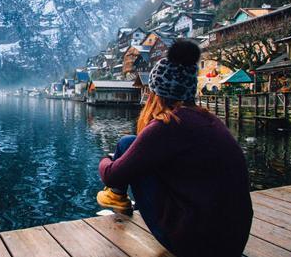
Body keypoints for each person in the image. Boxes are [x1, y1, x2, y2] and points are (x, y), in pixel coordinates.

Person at [96, 40, 253, 257]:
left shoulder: (166, 125)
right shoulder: (210, 120)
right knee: (130, 143)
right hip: (234, 241)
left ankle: (116, 197)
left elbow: (112, 174)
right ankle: (117, 197)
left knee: (127, 149)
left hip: (197, 246)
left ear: (156, 93)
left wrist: (105, 159)